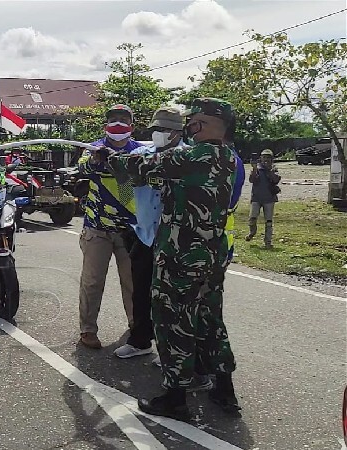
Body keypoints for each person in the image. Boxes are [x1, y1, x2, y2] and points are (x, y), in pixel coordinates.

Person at [98, 98, 241, 420]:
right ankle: (224, 389)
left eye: (192, 122)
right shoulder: (228, 158)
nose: (189, 127)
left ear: (200, 124)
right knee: (210, 320)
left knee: (173, 322)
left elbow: (138, 169)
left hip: (180, 256)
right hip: (212, 255)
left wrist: (109, 157)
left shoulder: (190, 156)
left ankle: (175, 397)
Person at [113, 107, 186, 360]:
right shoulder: (138, 155)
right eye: (156, 129)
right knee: (141, 290)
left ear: (178, 132)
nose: (159, 134)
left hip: (176, 240)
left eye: (165, 130)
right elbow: (123, 184)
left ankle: (171, 351)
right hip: (144, 234)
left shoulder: (187, 158)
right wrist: (130, 214)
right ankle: (140, 340)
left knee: (172, 296)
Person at [76, 104, 143, 349]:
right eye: (112, 119)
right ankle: (87, 330)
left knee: (133, 283)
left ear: (132, 126)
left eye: (123, 120)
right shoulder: (92, 149)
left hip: (131, 231)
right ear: (105, 125)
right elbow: (83, 167)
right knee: (92, 282)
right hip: (97, 228)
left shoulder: (142, 151)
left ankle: (137, 327)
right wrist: (97, 159)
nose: (117, 124)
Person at [245, 149, 280, 248]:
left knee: (268, 222)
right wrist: (255, 169)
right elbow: (252, 180)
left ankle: (268, 242)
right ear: (260, 158)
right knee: (252, 218)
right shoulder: (257, 168)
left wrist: (270, 171)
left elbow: (276, 180)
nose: (266, 159)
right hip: (256, 198)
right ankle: (252, 233)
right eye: (264, 157)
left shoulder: (273, 169)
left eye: (268, 157)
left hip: (269, 198)